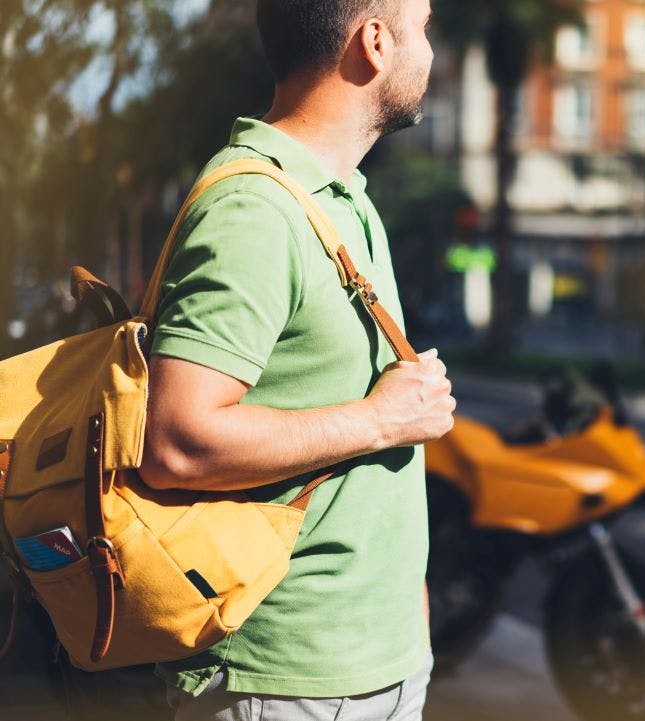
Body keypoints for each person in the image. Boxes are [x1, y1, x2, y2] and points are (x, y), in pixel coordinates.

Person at [139, 0, 453, 719]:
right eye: (424, 26)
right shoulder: (254, 209)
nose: (432, 52)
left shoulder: (343, 198)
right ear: (374, 42)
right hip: (285, 684)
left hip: (382, 663)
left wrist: (407, 610)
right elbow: (178, 442)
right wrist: (381, 418)